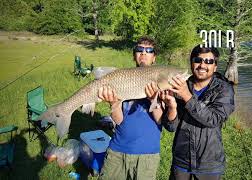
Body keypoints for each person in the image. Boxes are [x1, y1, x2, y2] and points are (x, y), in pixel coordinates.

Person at [160, 45, 235, 180]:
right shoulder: (180, 86)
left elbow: (214, 119)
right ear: (191, 63)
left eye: (209, 61)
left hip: (209, 164)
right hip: (181, 161)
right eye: (198, 60)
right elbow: (171, 127)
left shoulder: (224, 89)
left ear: (215, 66)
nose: (202, 65)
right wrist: (171, 106)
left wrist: (187, 96)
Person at [98, 36, 163, 180]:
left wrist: (154, 100)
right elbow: (119, 120)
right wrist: (114, 103)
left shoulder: (163, 82)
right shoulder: (123, 78)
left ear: (154, 57)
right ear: (134, 55)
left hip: (147, 155)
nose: (144, 53)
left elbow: (161, 121)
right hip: (117, 150)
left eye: (149, 50)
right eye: (139, 49)